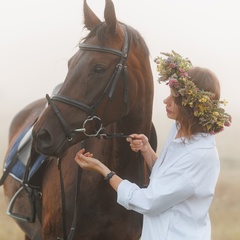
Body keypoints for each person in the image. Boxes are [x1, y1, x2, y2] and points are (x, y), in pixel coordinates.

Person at [74, 51, 231, 240]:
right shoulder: (180, 129)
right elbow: (169, 178)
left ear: (191, 107)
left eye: (174, 98)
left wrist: (103, 170)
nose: (166, 101)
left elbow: (147, 201)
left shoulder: (200, 155)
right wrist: (147, 151)